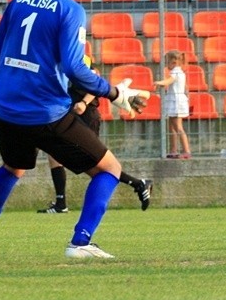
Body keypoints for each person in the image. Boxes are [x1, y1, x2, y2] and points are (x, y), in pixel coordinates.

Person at [0, 0, 149, 261]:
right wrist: (114, 93)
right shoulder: (70, 10)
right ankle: (81, 241)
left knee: (13, 168)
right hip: (44, 111)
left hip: (5, 109)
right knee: (110, 169)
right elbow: (76, 67)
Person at [39, 54, 153, 213]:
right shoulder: (57, 58)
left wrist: (84, 103)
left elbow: (95, 82)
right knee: (55, 156)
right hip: (71, 116)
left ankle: (138, 184)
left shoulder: (77, 57)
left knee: (96, 164)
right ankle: (61, 203)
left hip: (86, 116)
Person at [154, 50, 191, 159]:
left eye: (167, 62)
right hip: (173, 101)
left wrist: (159, 82)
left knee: (178, 127)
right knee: (172, 127)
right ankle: (173, 150)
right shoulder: (180, 72)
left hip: (176, 102)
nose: (166, 65)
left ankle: (186, 150)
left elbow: (169, 81)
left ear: (173, 62)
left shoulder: (176, 72)